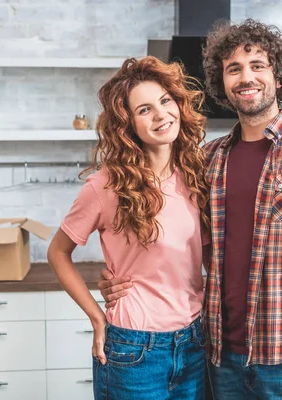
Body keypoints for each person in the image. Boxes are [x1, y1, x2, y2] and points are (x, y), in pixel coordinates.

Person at [98, 19, 282, 400]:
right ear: (221, 82)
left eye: (258, 65)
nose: (246, 77)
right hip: (220, 354)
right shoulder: (208, 159)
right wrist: (122, 277)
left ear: (277, 75)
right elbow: (181, 240)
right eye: (233, 69)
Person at [47, 55, 211, 400]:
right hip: (134, 348)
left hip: (195, 341)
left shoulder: (197, 174)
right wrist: (95, 316)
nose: (161, 114)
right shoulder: (104, 186)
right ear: (127, 125)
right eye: (144, 110)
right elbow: (58, 252)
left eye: (165, 101)